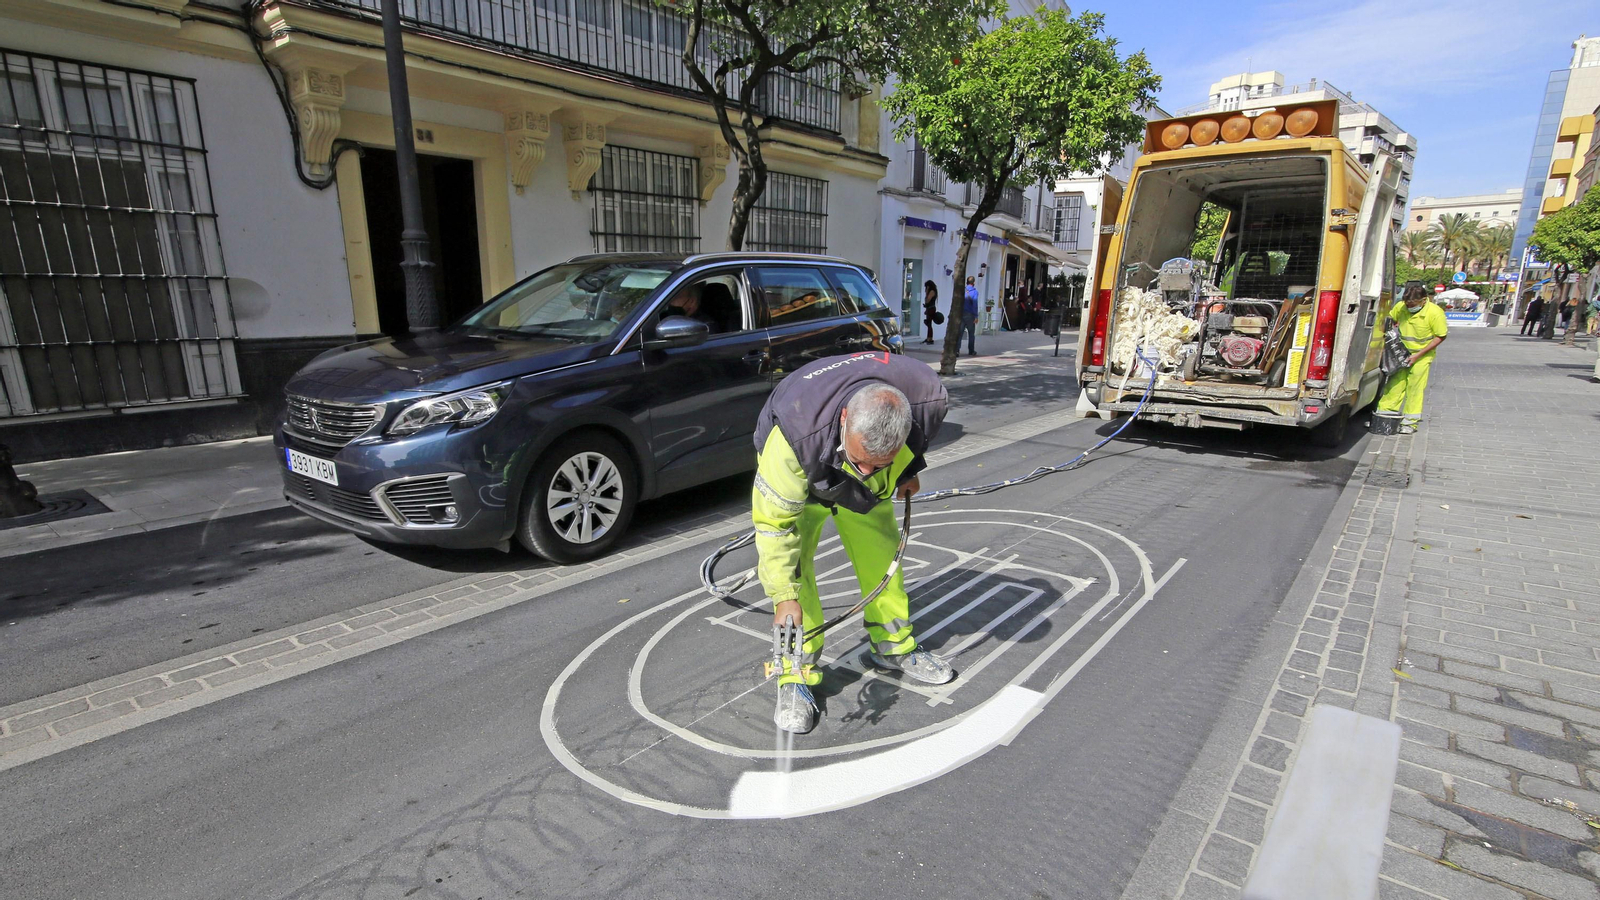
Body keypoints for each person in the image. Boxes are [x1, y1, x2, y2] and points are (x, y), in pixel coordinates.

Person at [751, 351, 952, 734]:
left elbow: (915, 445)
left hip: (859, 469)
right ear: (845, 419)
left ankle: (893, 645)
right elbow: (775, 528)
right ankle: (795, 671)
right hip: (810, 472)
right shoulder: (793, 438)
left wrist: (905, 471)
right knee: (795, 572)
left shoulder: (928, 400)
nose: (865, 472)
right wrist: (783, 596)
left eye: (878, 464)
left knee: (882, 554)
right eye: (859, 461)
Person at [1377, 284, 1448, 434]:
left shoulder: (1435, 313)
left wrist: (1418, 355)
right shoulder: (1402, 306)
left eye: (1413, 304)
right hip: (1402, 353)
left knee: (1415, 388)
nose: (1409, 307)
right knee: (1395, 385)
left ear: (1424, 300)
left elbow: (1440, 336)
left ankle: (1410, 422)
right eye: (1407, 303)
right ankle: (1385, 416)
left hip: (1421, 355)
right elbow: (1391, 319)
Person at [962, 276, 980, 356]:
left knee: (959, 333)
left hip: (961, 314)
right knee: (971, 334)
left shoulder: (962, 291)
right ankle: (971, 350)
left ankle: (957, 350)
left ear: (967, 282)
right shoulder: (974, 292)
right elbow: (975, 305)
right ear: (974, 283)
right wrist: (976, 316)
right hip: (970, 315)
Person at [921, 280, 939, 344]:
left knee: (929, 324)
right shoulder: (933, 291)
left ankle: (930, 338)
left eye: (926, 287)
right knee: (929, 324)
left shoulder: (932, 291)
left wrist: (926, 293)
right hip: (930, 308)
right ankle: (929, 337)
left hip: (931, 309)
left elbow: (927, 300)